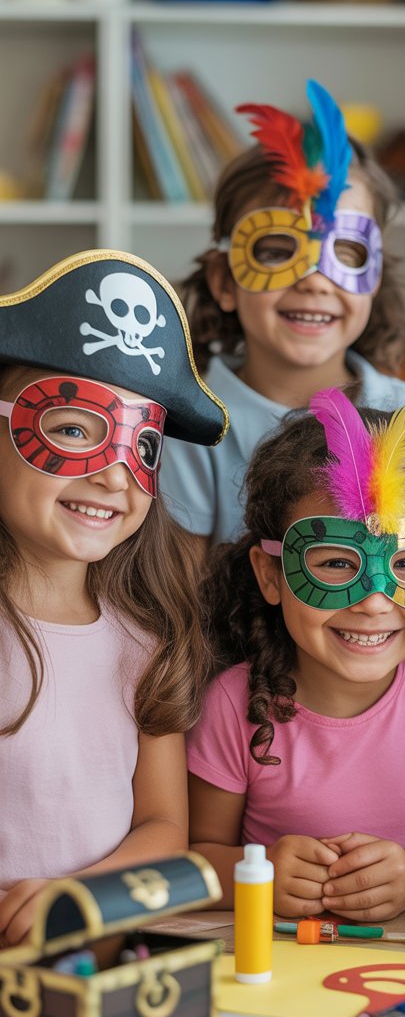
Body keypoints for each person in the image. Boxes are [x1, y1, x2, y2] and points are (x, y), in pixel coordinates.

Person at [187, 390, 405, 919]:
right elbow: (198, 855)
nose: (373, 601)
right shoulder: (233, 705)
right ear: (270, 574)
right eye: (337, 564)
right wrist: (258, 875)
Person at [0, 248, 229, 946]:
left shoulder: (149, 643)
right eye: (72, 429)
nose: (112, 477)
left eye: (143, 448)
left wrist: (79, 898)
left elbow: (164, 827)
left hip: (101, 964)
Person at [160, 78, 405, 553]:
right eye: (278, 250)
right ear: (224, 280)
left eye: (346, 252)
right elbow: (186, 594)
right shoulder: (192, 427)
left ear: (376, 277)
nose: (315, 280)